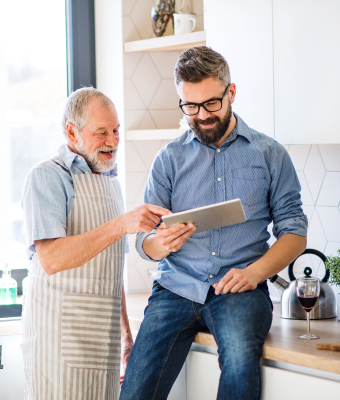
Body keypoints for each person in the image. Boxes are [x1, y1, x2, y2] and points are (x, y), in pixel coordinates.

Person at [120, 46, 308, 400]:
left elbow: (294, 233)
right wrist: (161, 243)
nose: (201, 115)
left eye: (211, 104)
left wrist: (254, 274)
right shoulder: (169, 159)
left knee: (239, 364)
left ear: (231, 93)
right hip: (176, 288)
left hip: (239, 290)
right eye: (190, 106)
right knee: (136, 389)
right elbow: (144, 241)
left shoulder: (269, 155)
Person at [20, 87, 169, 400]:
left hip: (102, 341)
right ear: (71, 132)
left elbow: (110, 268)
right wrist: (121, 224)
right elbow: (52, 259)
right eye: (102, 132)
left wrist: (126, 337)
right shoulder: (47, 177)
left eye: (115, 131)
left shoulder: (109, 181)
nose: (113, 142)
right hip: (57, 344)